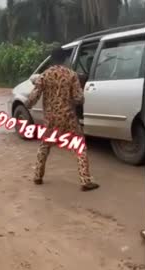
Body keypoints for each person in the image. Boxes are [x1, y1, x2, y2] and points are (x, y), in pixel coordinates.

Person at [25, 47, 100, 191]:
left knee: (45, 146)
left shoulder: (44, 75)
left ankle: (38, 176)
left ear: (52, 59)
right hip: (68, 118)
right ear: (65, 59)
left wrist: (28, 104)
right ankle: (85, 180)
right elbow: (79, 99)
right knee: (80, 147)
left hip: (50, 119)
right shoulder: (71, 75)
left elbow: (34, 96)